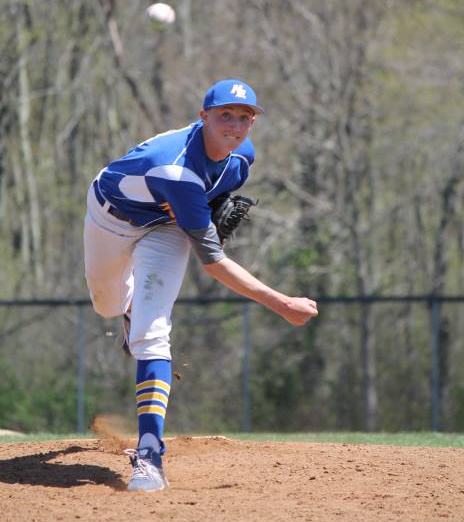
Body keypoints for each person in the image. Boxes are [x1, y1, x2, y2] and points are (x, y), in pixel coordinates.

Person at [83, 79, 318, 492]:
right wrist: (281, 303)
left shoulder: (242, 157)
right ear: (203, 116)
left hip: (166, 228)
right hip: (112, 218)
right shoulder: (176, 168)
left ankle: (150, 456)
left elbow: (205, 206)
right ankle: (129, 308)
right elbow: (214, 264)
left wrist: (204, 211)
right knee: (107, 304)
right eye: (225, 115)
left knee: (152, 336)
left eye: (244, 117)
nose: (235, 125)